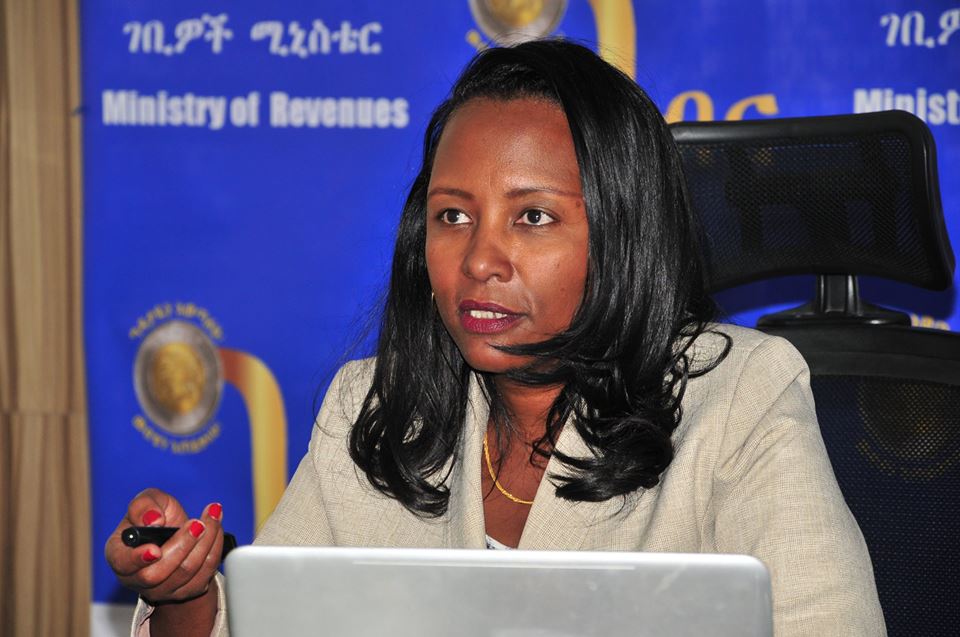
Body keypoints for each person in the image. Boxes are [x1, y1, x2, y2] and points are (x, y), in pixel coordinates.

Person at [106, 39, 886, 636]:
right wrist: (187, 593)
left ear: (621, 233)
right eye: (452, 215)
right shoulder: (371, 407)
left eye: (532, 216)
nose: (479, 258)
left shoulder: (740, 396)